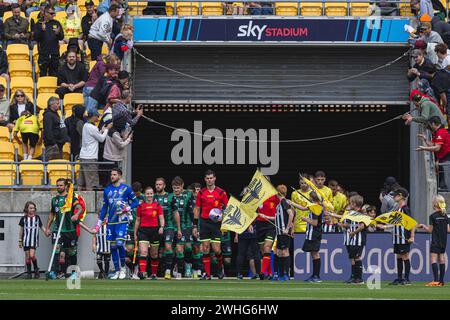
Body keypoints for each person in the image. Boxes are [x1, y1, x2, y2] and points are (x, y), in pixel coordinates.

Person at [94, 168, 139, 280]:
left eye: (114, 174)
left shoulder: (126, 189)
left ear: (119, 175)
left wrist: (127, 208)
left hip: (122, 221)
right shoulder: (107, 190)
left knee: (119, 243)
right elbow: (105, 208)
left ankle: (123, 268)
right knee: (113, 246)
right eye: (111, 175)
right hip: (111, 222)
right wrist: (98, 224)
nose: (112, 176)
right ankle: (117, 271)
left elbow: (136, 202)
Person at [193, 170, 229, 280]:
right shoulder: (201, 193)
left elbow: (227, 208)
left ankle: (219, 267)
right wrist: (195, 226)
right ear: (205, 179)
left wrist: (222, 216)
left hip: (216, 224)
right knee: (205, 248)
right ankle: (207, 274)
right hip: (204, 222)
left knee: (217, 249)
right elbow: (197, 208)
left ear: (215, 178)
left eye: (211, 178)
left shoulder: (221, 192)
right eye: (207, 178)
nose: (209, 180)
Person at [45, 179, 84, 279]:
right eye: (57, 185)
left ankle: (74, 272)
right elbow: (52, 213)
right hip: (57, 229)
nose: (58, 187)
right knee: (56, 249)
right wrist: (47, 227)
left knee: (71, 252)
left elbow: (80, 208)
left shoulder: (71, 198)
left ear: (66, 186)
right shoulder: (54, 200)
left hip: (69, 230)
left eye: (61, 185)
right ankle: (55, 272)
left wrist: (76, 214)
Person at [417, 195, 449, 286]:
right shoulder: (445, 216)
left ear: (435, 204)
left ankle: (435, 280)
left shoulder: (433, 216)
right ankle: (441, 281)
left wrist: (423, 226)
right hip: (443, 240)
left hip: (435, 240)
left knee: (433, 259)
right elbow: (448, 230)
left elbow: (430, 230)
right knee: (442, 258)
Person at [290, 191, 323, 282]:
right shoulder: (312, 206)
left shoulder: (316, 208)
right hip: (311, 233)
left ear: (312, 198)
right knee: (313, 253)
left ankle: (316, 276)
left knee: (315, 254)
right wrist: (291, 202)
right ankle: (314, 275)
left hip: (315, 234)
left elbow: (315, 223)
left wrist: (306, 219)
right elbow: (303, 208)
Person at [386, 188, 415, 286]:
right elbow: (396, 222)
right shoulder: (398, 209)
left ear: (401, 196)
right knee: (398, 256)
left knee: (405, 256)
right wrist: (385, 226)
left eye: (395, 195)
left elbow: (412, 223)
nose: (394, 197)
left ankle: (406, 279)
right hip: (397, 237)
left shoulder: (405, 209)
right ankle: (399, 278)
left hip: (403, 237)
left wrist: (412, 236)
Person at [135, 186, 164, 280]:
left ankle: (154, 274)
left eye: (151, 193)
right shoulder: (140, 206)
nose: (149, 195)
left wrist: (162, 227)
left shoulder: (157, 205)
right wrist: (135, 233)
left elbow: (161, 218)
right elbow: (137, 220)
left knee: (154, 254)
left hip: (155, 231)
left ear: (153, 194)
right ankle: (142, 273)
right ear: (144, 195)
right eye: (147, 194)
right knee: (143, 252)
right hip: (143, 231)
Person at [78, 110, 110, 191]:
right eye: (97, 116)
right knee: (91, 183)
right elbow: (102, 139)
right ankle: (91, 201)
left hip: (83, 156)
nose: (98, 118)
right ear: (93, 116)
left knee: (81, 182)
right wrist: (106, 130)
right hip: (91, 158)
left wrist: (101, 131)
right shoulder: (93, 127)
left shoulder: (85, 125)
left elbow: (94, 136)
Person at [338, 195, 367, 285]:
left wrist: (354, 232)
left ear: (354, 203)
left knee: (357, 257)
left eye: (351, 202)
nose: (349, 204)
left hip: (358, 239)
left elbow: (362, 226)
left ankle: (359, 278)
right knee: (354, 257)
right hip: (353, 239)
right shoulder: (352, 213)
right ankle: (354, 277)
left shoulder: (361, 214)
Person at [153, 177, 179, 280]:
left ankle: (168, 270)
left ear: (164, 186)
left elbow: (176, 212)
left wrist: (179, 228)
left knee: (168, 247)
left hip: (169, 227)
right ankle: (154, 272)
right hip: (155, 227)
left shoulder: (170, 197)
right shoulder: (152, 197)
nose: (158, 186)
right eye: (157, 184)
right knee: (156, 251)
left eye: (160, 184)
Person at [417, 116, 450, 190]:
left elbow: (437, 148)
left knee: (441, 168)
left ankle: (444, 187)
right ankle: (442, 186)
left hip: (447, 156)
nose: (430, 126)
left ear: (433, 124)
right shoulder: (438, 132)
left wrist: (424, 148)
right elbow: (433, 144)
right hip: (443, 157)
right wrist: (425, 140)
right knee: (439, 167)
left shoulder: (440, 132)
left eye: (430, 124)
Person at [19, 201, 47, 279]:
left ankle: (36, 269)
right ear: (26, 209)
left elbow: (41, 226)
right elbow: (21, 230)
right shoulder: (23, 218)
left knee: (32, 256)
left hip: (34, 240)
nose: (32, 209)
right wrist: (20, 240)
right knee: (27, 257)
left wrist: (46, 232)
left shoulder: (37, 218)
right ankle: (29, 273)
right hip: (26, 240)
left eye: (33, 208)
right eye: (30, 208)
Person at [34, 6, 64, 77]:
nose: (53, 15)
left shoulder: (57, 23)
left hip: (55, 54)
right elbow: (36, 38)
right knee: (43, 74)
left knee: (54, 75)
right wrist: (42, 30)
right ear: (45, 13)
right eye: (51, 13)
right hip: (43, 54)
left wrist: (58, 33)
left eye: (54, 13)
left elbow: (61, 37)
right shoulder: (39, 23)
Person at [273, 185, 294, 282]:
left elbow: (291, 214)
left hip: (283, 232)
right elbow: (278, 218)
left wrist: (287, 228)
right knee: (279, 252)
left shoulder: (283, 202)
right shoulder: (279, 204)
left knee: (284, 251)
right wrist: (265, 216)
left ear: (278, 193)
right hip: (279, 232)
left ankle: (286, 274)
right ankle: (280, 274)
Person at [256, 193, 278, 279]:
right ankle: (270, 273)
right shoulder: (257, 196)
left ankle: (262, 272)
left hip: (271, 225)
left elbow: (279, 213)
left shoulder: (275, 196)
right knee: (264, 251)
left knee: (267, 247)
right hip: (259, 226)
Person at [126, 181, 145, 279]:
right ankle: (132, 269)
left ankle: (137, 271)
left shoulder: (144, 199)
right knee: (129, 250)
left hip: (141, 228)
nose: (135, 194)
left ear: (140, 191)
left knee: (139, 251)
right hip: (129, 228)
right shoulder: (128, 197)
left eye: (137, 192)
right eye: (134, 192)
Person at [43, 97, 70, 161]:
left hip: (58, 145)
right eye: (57, 103)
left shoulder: (55, 114)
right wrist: (53, 143)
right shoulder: (48, 115)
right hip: (53, 146)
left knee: (58, 164)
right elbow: (48, 130)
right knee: (53, 165)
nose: (59, 105)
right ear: (51, 105)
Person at [188, 182, 202, 278]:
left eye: (198, 190)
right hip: (188, 227)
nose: (196, 192)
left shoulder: (202, 200)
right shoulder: (188, 200)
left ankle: (197, 269)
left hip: (200, 226)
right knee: (188, 248)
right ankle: (187, 267)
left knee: (198, 248)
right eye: (195, 190)